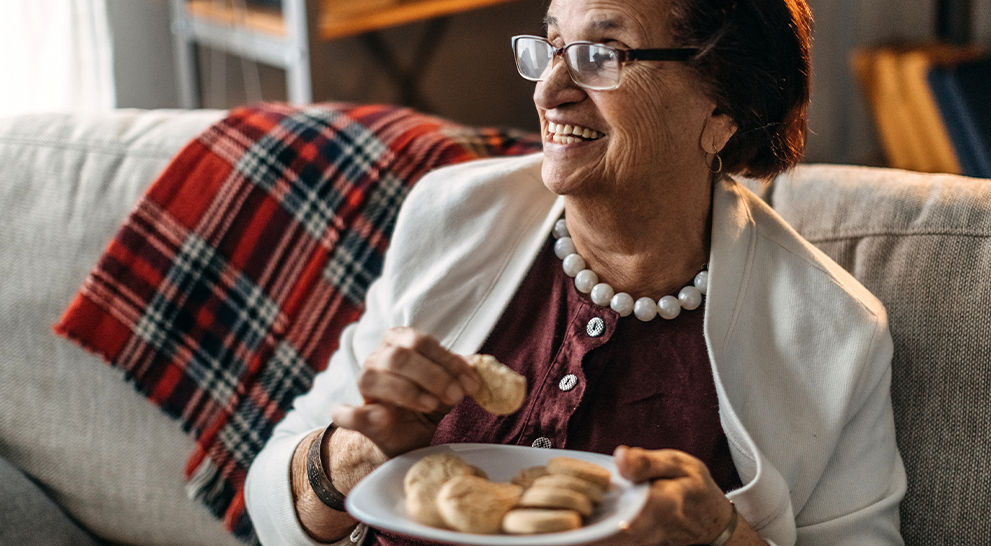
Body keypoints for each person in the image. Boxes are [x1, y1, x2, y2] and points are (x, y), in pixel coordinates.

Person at [245, 0, 906, 544]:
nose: (549, 91)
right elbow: (272, 503)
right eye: (551, 47)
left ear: (720, 110)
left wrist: (724, 536)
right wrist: (357, 454)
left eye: (600, 55)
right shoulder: (452, 214)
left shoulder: (834, 336)